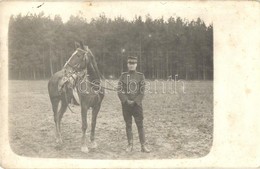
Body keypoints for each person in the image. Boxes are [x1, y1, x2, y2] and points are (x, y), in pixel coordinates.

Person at [117, 55, 150, 153]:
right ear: (127, 64)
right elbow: (119, 90)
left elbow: (142, 91)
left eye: (133, 63)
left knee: (140, 125)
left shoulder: (140, 76)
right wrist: (126, 101)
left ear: (136, 64)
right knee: (128, 125)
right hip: (126, 105)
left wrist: (135, 101)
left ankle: (143, 146)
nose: (131, 65)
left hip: (137, 106)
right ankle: (130, 145)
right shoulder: (123, 76)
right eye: (129, 63)